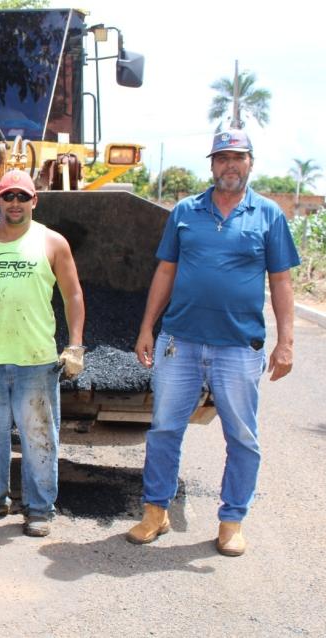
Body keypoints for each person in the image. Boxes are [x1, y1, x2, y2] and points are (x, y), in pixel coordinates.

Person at [126, 130, 299, 556]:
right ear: (212, 165)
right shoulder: (186, 211)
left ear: (250, 163)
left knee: (242, 436)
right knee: (164, 429)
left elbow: (281, 281)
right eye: (222, 158)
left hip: (239, 348)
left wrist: (286, 342)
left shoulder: (269, 215)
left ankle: (231, 520)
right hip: (179, 343)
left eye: (237, 158)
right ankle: (155, 511)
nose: (229, 166)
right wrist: (147, 326)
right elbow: (165, 272)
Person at [0, 169, 84, 537]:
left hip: (36, 360)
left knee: (39, 436)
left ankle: (39, 509)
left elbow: (72, 295)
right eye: (9, 196)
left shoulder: (53, 243)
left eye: (23, 196)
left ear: (34, 201)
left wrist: (75, 345)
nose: (16, 203)